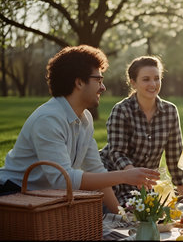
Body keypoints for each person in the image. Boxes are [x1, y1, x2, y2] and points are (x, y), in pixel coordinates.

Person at [0, 45, 160, 214]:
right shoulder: (49, 119)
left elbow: (96, 171)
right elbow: (63, 180)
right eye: (98, 80)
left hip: (47, 200)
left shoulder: (85, 119)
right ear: (79, 82)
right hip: (15, 197)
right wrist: (124, 175)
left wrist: (121, 216)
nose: (103, 87)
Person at [100, 56, 183, 206]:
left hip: (145, 183)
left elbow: (175, 155)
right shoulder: (121, 110)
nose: (153, 84)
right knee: (128, 214)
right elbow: (117, 153)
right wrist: (134, 175)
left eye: (156, 78)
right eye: (146, 79)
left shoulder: (170, 111)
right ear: (133, 83)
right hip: (114, 176)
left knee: (160, 212)